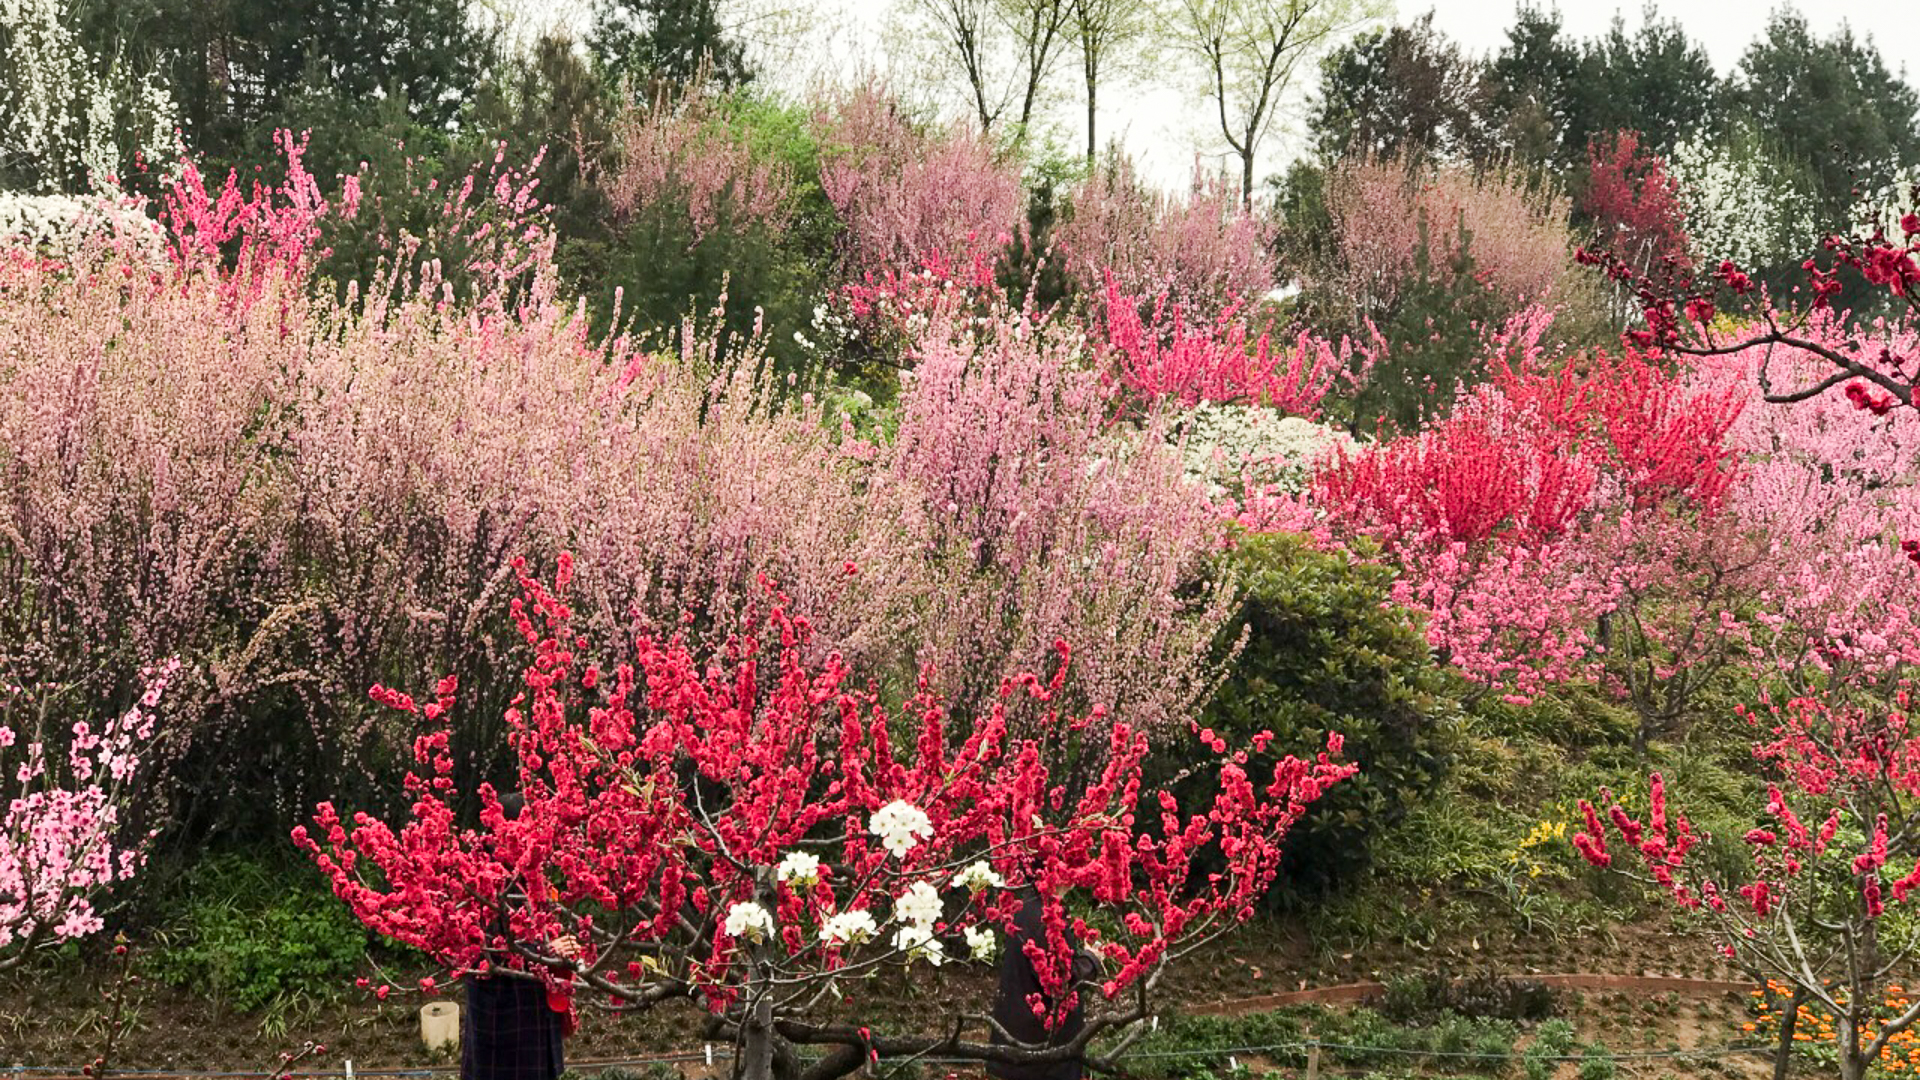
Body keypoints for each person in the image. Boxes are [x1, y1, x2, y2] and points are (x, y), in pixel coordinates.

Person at [461, 792, 578, 1080]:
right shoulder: (485, 883)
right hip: (504, 1018)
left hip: (530, 1011)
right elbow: (490, 950)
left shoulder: (528, 876)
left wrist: (557, 949)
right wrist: (547, 950)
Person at [987, 887, 1100, 1080]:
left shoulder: (1024, 906)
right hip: (1042, 1055)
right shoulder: (1045, 918)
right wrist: (1092, 960)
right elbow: (1060, 981)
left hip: (1019, 1041)